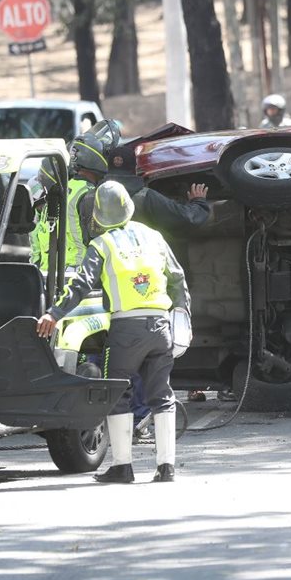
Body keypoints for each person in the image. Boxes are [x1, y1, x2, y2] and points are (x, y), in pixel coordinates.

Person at [36, 181, 190, 484]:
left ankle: (123, 466)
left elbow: (80, 285)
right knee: (162, 395)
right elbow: (178, 278)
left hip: (126, 330)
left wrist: (53, 314)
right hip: (161, 327)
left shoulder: (102, 244)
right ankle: (166, 467)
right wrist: (183, 318)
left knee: (116, 392)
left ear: (98, 216)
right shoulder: (153, 236)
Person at [30, 132, 110, 274]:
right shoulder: (89, 195)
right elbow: (99, 242)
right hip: (77, 275)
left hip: (48, 274)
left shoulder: (58, 191)